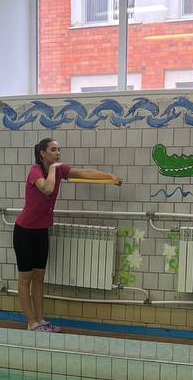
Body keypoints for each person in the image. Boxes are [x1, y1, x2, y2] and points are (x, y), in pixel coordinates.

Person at [13, 138, 122, 332]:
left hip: (41, 231)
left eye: (58, 150)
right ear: (42, 154)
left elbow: (85, 173)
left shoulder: (59, 169)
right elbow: (47, 189)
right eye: (53, 150)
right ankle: (31, 322)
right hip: (24, 232)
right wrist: (53, 169)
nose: (57, 153)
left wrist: (110, 176)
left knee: (39, 277)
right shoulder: (35, 172)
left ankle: (41, 320)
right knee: (25, 279)